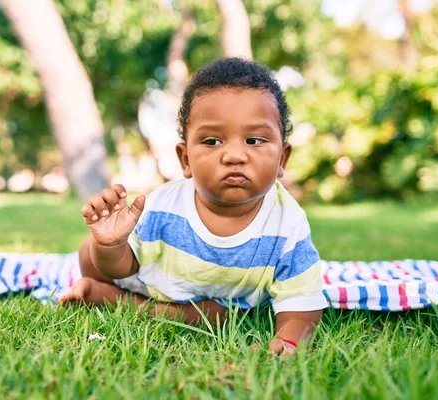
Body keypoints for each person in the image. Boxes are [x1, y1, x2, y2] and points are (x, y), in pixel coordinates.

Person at [60, 57, 328, 355]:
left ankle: (109, 299)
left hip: (224, 309)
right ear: (185, 159)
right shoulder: (165, 205)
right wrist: (111, 245)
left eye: (254, 140)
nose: (234, 155)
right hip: (158, 283)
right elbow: (126, 266)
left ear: (282, 160)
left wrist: (289, 340)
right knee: (90, 252)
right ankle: (110, 291)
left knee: (220, 315)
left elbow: (301, 301)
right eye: (213, 141)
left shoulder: (287, 222)